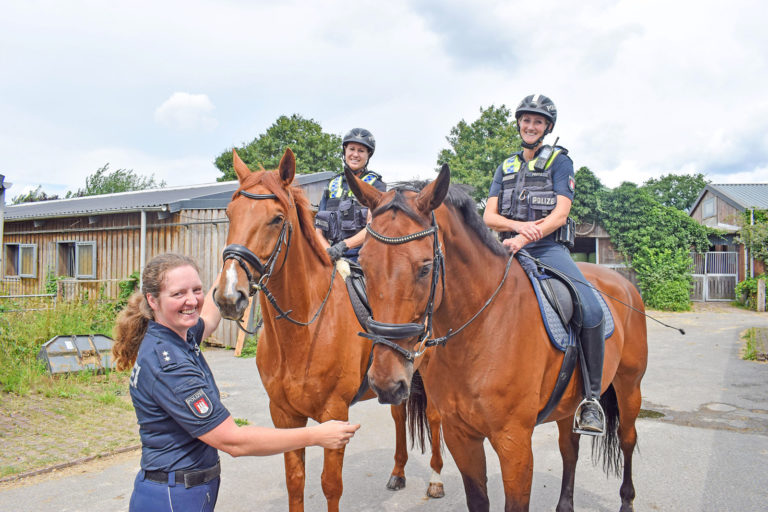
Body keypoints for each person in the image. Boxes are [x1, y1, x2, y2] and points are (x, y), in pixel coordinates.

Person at [113, 253, 360, 511]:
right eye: (178, 294)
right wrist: (316, 435)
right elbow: (234, 440)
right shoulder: (170, 366)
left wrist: (234, 258)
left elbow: (208, 317)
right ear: (152, 300)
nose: (191, 301)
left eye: (196, 290)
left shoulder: (176, 334)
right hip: (173, 497)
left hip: (186, 489)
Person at [482, 94, 606, 435]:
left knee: (591, 310)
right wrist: (517, 230)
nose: (531, 126)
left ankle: (592, 400)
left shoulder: (561, 163)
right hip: (505, 248)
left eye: (538, 121)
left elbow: (560, 213)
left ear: (547, 127)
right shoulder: (504, 166)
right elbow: (489, 215)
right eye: (526, 120)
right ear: (519, 123)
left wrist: (526, 236)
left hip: (548, 249)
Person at [315, 128, 386, 263]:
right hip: (329, 254)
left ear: (368, 155)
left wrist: (343, 246)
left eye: (361, 151)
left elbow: (374, 227)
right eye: (351, 149)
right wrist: (328, 252)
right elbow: (318, 229)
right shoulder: (331, 184)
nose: (355, 154)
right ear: (345, 151)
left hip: (362, 257)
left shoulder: (376, 185)